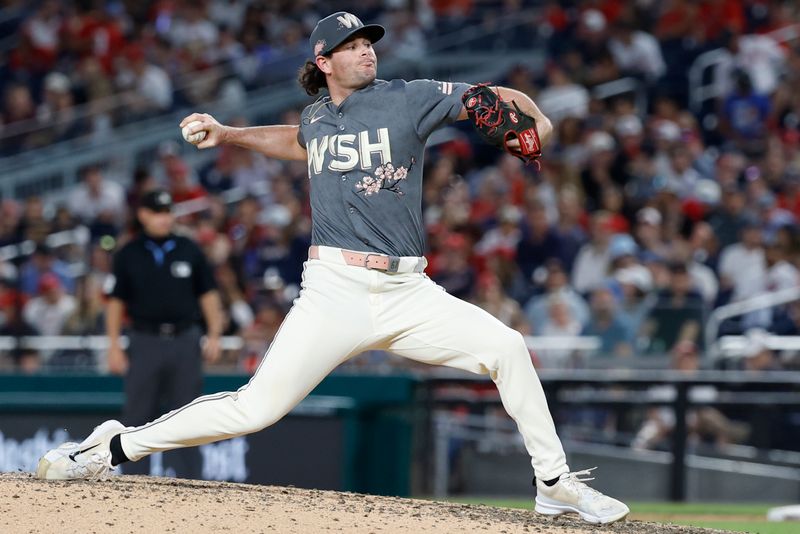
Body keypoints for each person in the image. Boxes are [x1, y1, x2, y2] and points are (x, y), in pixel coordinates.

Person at [37, 12, 628, 524]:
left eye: (368, 42)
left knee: (508, 348)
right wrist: (229, 134)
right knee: (255, 408)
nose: (366, 49)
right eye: (351, 45)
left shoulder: (407, 96)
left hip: (407, 290)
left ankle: (554, 486)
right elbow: (297, 141)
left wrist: (536, 118)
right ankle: (112, 448)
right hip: (335, 291)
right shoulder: (318, 119)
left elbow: (489, 96)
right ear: (324, 61)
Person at [104, 190, 224, 477]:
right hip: (144, 340)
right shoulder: (129, 252)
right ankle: (134, 484)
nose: (164, 218)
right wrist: (113, 346)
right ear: (143, 215)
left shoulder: (188, 248)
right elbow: (116, 302)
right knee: (137, 416)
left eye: (168, 212)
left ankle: (191, 484)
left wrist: (215, 334)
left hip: (185, 339)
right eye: (158, 212)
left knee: (188, 416)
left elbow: (208, 294)